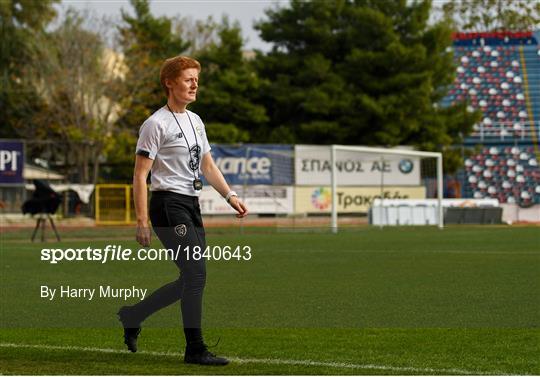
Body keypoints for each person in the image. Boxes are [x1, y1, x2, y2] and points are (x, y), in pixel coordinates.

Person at [118, 55, 248, 366]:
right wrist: (141, 220)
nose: (194, 84)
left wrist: (230, 195)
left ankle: (134, 314)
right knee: (196, 273)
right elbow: (139, 175)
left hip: (191, 204)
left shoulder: (196, 121)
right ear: (169, 82)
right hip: (167, 205)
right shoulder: (155, 124)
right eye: (188, 79)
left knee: (191, 277)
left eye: (196, 79)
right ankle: (195, 349)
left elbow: (208, 165)